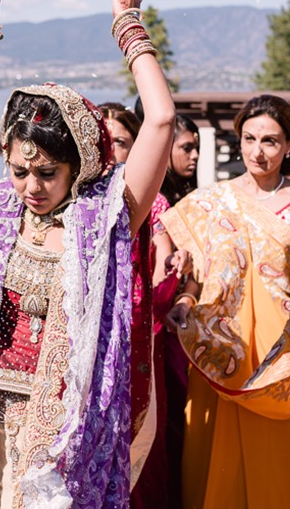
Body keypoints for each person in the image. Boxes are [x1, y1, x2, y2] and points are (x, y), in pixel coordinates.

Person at [0, 0, 175, 508]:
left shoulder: (105, 222)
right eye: (19, 170)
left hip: (65, 437)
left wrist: (129, 24)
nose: (30, 186)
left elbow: (159, 121)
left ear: (78, 167)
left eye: (47, 173)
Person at [161, 94, 290, 509]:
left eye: (270, 141)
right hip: (221, 347)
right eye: (249, 138)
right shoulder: (211, 200)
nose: (257, 151)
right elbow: (196, 277)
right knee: (210, 464)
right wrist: (184, 301)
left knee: (273, 468)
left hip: (277, 352)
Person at [97, 102, 178, 508]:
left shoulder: (149, 200)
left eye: (122, 142)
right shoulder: (74, 197)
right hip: (87, 336)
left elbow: (163, 255)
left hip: (137, 333)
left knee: (139, 435)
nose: (112, 151)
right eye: (104, 141)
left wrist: (165, 273)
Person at [160, 114, 199, 207]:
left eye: (196, 148)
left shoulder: (189, 194)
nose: (195, 155)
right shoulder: (152, 198)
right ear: (165, 147)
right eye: (187, 148)